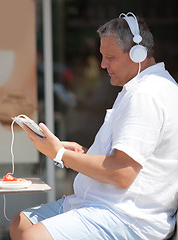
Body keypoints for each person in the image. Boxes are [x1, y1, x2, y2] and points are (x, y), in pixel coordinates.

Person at [10, 12, 178, 240]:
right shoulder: (139, 88)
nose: (102, 64)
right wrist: (87, 154)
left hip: (126, 217)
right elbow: (126, 160)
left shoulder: (146, 95)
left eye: (110, 57)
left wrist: (59, 153)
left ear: (139, 54)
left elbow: (122, 173)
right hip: (101, 205)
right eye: (102, 56)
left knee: (33, 237)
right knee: (20, 224)